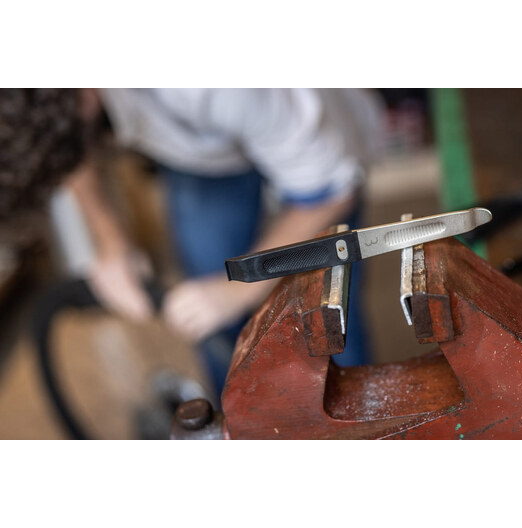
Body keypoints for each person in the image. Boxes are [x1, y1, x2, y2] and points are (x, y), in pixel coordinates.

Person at [0, 88, 383, 398]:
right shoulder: (47, 101)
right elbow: (64, 147)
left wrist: (237, 291)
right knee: (210, 320)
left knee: (326, 323)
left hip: (311, 144)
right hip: (202, 150)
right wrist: (111, 243)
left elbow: (329, 191)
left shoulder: (210, 87)